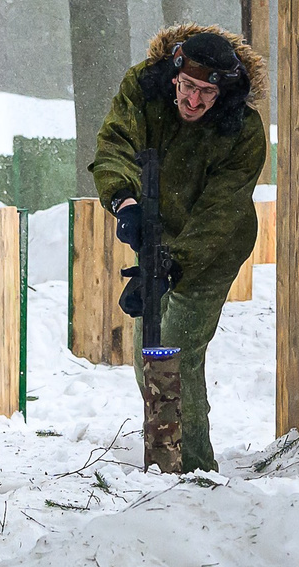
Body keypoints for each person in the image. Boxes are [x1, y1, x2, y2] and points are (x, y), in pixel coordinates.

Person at [90, 25, 268, 474]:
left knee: (176, 350)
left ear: (222, 91)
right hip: (156, 229)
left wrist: (172, 267)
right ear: (173, 76)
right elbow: (116, 143)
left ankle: (193, 470)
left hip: (214, 246)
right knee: (149, 355)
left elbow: (219, 211)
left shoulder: (242, 129)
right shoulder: (143, 88)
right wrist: (125, 203)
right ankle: (164, 460)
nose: (194, 101)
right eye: (188, 87)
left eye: (207, 92)